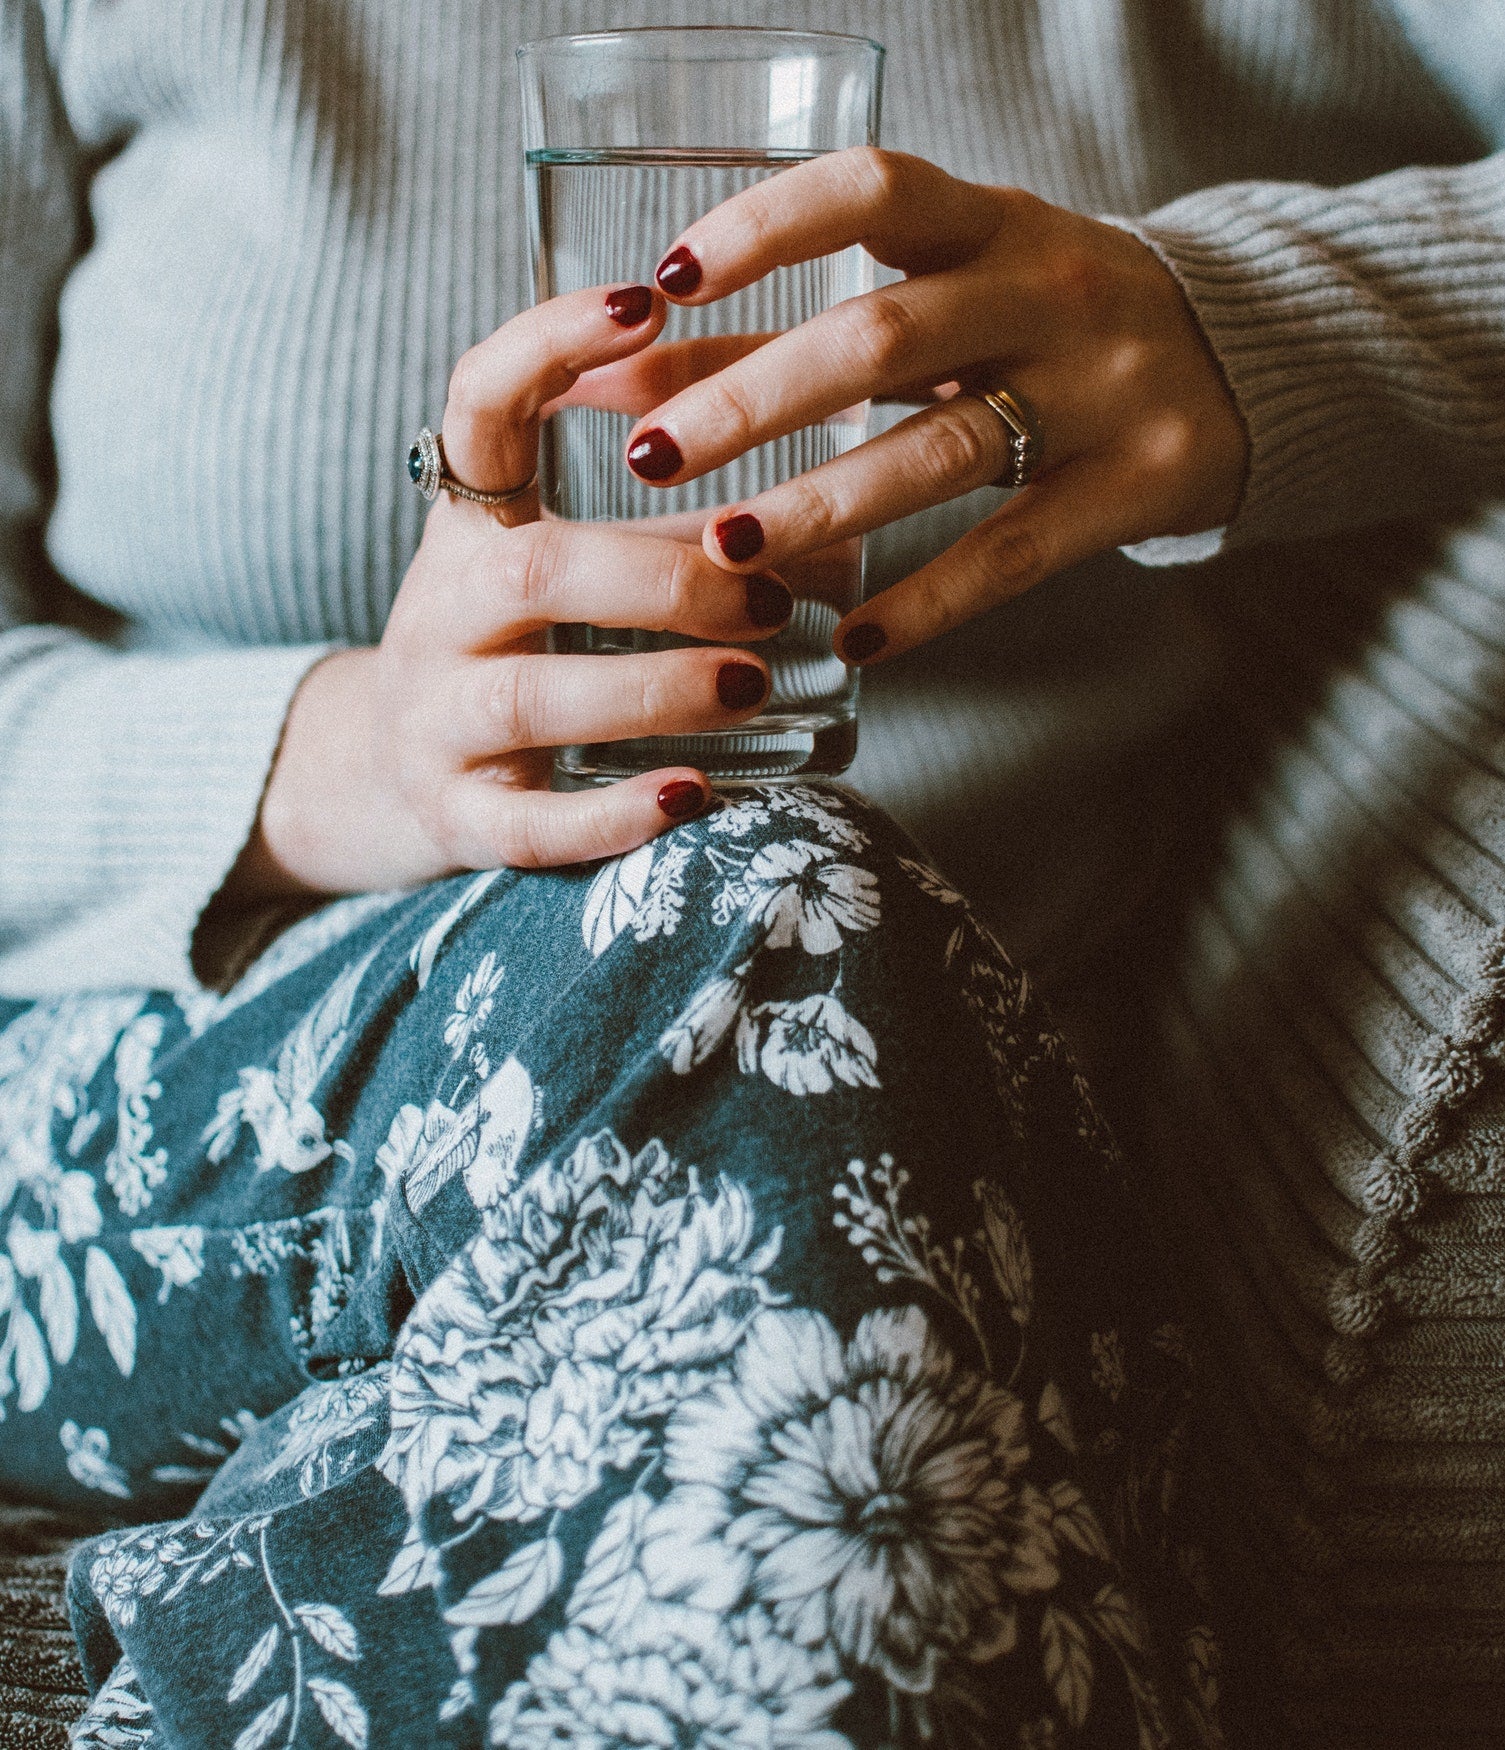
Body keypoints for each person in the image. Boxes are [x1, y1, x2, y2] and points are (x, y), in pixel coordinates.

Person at [3, 2, 1503, 1745]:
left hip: (896, 1141)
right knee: (756, 908)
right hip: (149, 1080)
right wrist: (355, 753)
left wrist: (1248, 320)